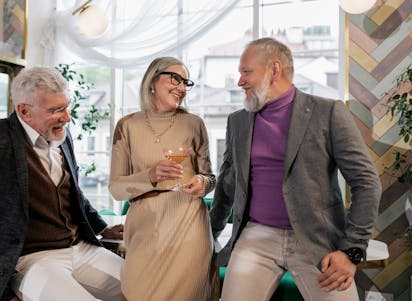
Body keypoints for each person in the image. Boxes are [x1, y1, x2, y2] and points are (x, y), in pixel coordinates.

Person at [0, 67, 124, 301]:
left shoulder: (62, 136)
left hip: (82, 249)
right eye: (56, 110)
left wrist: (100, 227)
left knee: (153, 288)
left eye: (66, 106)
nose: (67, 117)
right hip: (27, 260)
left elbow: (70, 191)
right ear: (24, 111)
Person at [209, 38, 382, 301]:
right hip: (256, 237)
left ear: (274, 70)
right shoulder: (238, 121)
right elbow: (227, 184)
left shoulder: (329, 112)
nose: (240, 81)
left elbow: (366, 182)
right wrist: (210, 234)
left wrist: (351, 250)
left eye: (246, 72)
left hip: (317, 239)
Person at [109, 57, 216, 300]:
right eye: (174, 78)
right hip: (145, 225)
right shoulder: (127, 126)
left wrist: (202, 183)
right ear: (151, 81)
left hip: (188, 222)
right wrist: (150, 175)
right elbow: (116, 188)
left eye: (185, 82)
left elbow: (210, 176)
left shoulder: (193, 124)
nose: (181, 87)